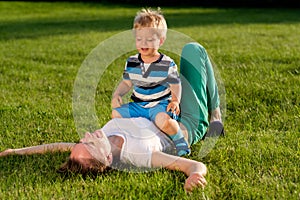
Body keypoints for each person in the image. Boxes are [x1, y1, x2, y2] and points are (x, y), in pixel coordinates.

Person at [0, 117, 207, 193]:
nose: (86, 135)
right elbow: (192, 165)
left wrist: (15, 152)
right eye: (89, 143)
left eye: (82, 141)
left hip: (160, 107)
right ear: (107, 159)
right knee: (193, 51)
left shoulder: (103, 140)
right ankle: (215, 117)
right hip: (186, 123)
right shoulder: (141, 154)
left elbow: (58, 146)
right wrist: (194, 176)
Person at [111, 8, 190, 156]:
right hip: (138, 105)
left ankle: (180, 141)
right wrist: (117, 95)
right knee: (116, 114)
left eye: (149, 39)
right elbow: (127, 83)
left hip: (159, 105)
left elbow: (175, 84)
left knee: (164, 121)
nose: (143, 43)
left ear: (160, 40)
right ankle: (133, 137)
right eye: (139, 39)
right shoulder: (132, 62)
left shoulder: (166, 63)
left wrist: (175, 101)